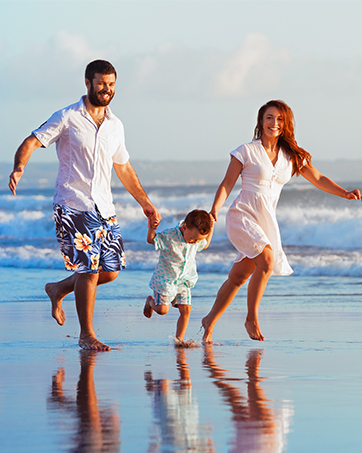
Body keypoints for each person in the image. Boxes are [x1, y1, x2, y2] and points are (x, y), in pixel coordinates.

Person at [9, 59, 160, 351]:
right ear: (88, 83)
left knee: (111, 270)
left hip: (104, 207)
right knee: (89, 271)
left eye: (112, 84)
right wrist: (19, 167)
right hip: (72, 204)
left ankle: (58, 288)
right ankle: (86, 335)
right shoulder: (67, 117)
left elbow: (124, 168)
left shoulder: (116, 125)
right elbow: (31, 141)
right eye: (102, 83)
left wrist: (146, 203)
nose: (107, 89)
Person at [202, 100, 361, 343]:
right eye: (269, 118)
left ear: (285, 124)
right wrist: (215, 209)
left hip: (265, 220)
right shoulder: (246, 151)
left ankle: (209, 320)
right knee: (267, 258)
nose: (273, 123)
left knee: (238, 276)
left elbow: (318, 177)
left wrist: (345, 193)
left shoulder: (290, 156)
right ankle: (251, 318)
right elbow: (227, 183)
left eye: (279, 119)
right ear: (260, 121)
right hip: (242, 215)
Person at [143, 210, 214, 342]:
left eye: (198, 240)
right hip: (166, 280)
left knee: (186, 310)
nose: (194, 242)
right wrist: (152, 227)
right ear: (184, 227)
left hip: (184, 280)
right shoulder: (169, 236)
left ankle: (179, 339)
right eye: (193, 239)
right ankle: (150, 301)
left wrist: (212, 227)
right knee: (162, 310)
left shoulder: (196, 238)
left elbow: (205, 245)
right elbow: (151, 240)